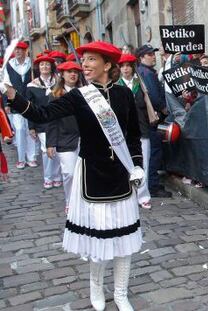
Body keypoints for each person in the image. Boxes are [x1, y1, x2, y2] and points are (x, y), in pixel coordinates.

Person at [2, 40, 144, 311]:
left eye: (91, 60)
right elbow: (41, 114)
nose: (85, 66)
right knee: (98, 237)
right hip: (91, 173)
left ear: (108, 64)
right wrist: (11, 94)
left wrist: (137, 165)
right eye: (84, 60)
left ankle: (121, 293)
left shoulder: (125, 95)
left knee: (124, 239)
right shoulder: (80, 96)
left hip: (121, 174)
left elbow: (133, 136)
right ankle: (96, 288)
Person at [117, 53, 152, 209]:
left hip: (142, 128)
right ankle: (128, 194)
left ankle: (143, 195)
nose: (125, 69)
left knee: (143, 162)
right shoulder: (116, 86)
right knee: (126, 163)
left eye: (128, 66)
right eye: (122, 66)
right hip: (123, 131)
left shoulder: (141, 84)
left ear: (132, 68)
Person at [137, 44, 172, 198]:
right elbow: (154, 97)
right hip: (152, 119)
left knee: (153, 152)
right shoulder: (147, 73)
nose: (153, 56)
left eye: (153, 54)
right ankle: (153, 185)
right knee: (154, 152)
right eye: (149, 54)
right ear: (141, 58)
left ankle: (152, 183)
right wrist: (164, 108)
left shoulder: (145, 71)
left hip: (148, 119)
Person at [46, 61, 82, 212]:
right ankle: (70, 201)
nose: (73, 74)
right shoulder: (55, 96)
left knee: (84, 174)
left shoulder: (85, 91)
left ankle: (83, 201)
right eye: (69, 72)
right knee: (69, 173)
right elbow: (51, 121)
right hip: (64, 139)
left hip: (84, 138)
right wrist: (50, 143)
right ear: (63, 75)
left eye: (75, 71)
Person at [26, 54, 62, 190]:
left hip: (57, 121)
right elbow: (30, 108)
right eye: (42, 64)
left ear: (51, 67)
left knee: (58, 149)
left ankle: (57, 176)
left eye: (47, 64)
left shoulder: (58, 82)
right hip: (41, 123)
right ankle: (48, 177)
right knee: (46, 150)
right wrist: (31, 127)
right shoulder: (32, 86)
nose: (45, 67)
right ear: (38, 68)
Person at [3, 41, 37, 169]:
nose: (17, 51)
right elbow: (6, 84)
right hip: (15, 101)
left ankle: (32, 157)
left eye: (20, 49)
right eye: (16, 49)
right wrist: (7, 102)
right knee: (19, 129)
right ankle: (21, 158)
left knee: (30, 129)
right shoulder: (9, 65)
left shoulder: (32, 64)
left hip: (30, 101)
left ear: (25, 51)